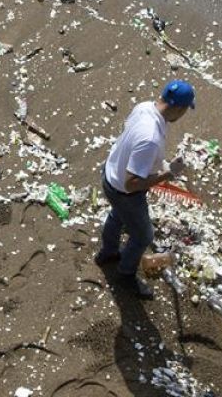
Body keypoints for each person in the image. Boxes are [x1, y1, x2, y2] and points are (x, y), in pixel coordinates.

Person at [95, 79, 195, 299]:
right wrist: (169, 173)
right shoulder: (150, 138)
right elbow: (132, 184)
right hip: (124, 191)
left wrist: (157, 165)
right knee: (143, 235)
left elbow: (131, 140)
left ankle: (108, 252)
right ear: (179, 108)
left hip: (110, 174)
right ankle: (126, 274)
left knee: (116, 216)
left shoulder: (144, 107)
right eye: (186, 109)